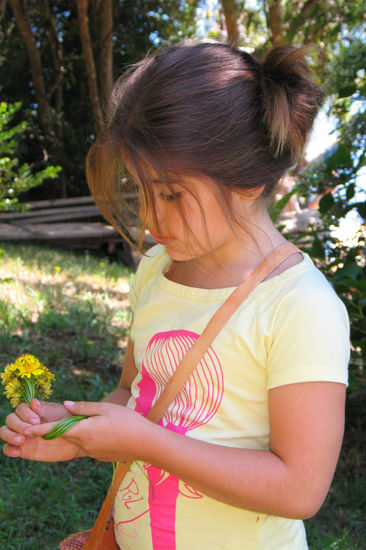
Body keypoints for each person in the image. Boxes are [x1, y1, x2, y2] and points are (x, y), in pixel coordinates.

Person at [1, 41, 349, 549]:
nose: (150, 218)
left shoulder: (300, 307)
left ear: (248, 183)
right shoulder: (156, 269)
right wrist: (76, 431)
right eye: (139, 190)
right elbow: (134, 393)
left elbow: (299, 488)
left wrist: (148, 444)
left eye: (169, 194)